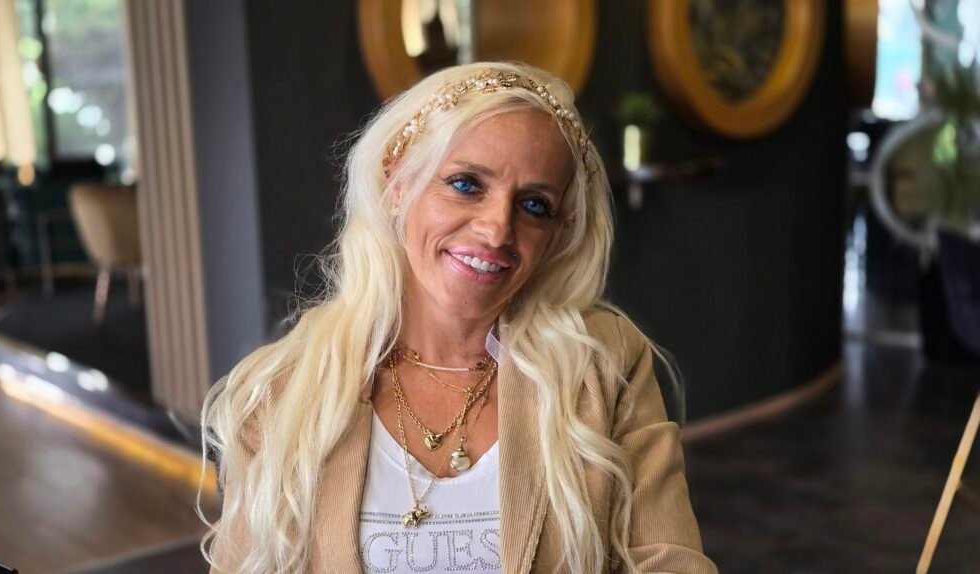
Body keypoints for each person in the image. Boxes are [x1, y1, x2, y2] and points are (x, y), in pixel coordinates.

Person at [199, 61, 717, 573]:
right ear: (398, 183)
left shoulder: (601, 365)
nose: (497, 230)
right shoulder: (281, 390)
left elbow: (670, 562)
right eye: (467, 184)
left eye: (534, 205)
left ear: (557, 233)